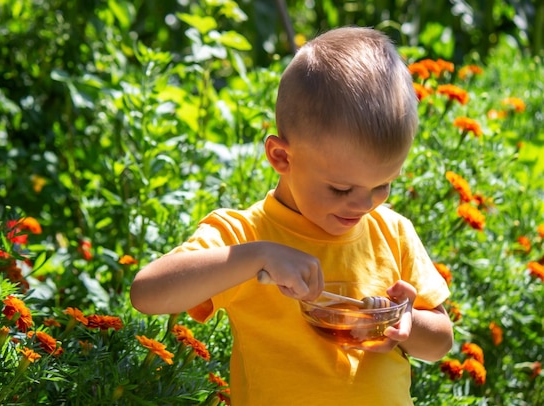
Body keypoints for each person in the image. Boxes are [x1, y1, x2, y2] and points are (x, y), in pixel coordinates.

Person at [130, 26, 453, 405]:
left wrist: (407, 324)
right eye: (341, 189)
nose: (364, 205)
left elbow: (440, 341)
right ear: (281, 157)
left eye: (382, 185)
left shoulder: (393, 232)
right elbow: (147, 293)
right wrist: (258, 256)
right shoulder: (245, 234)